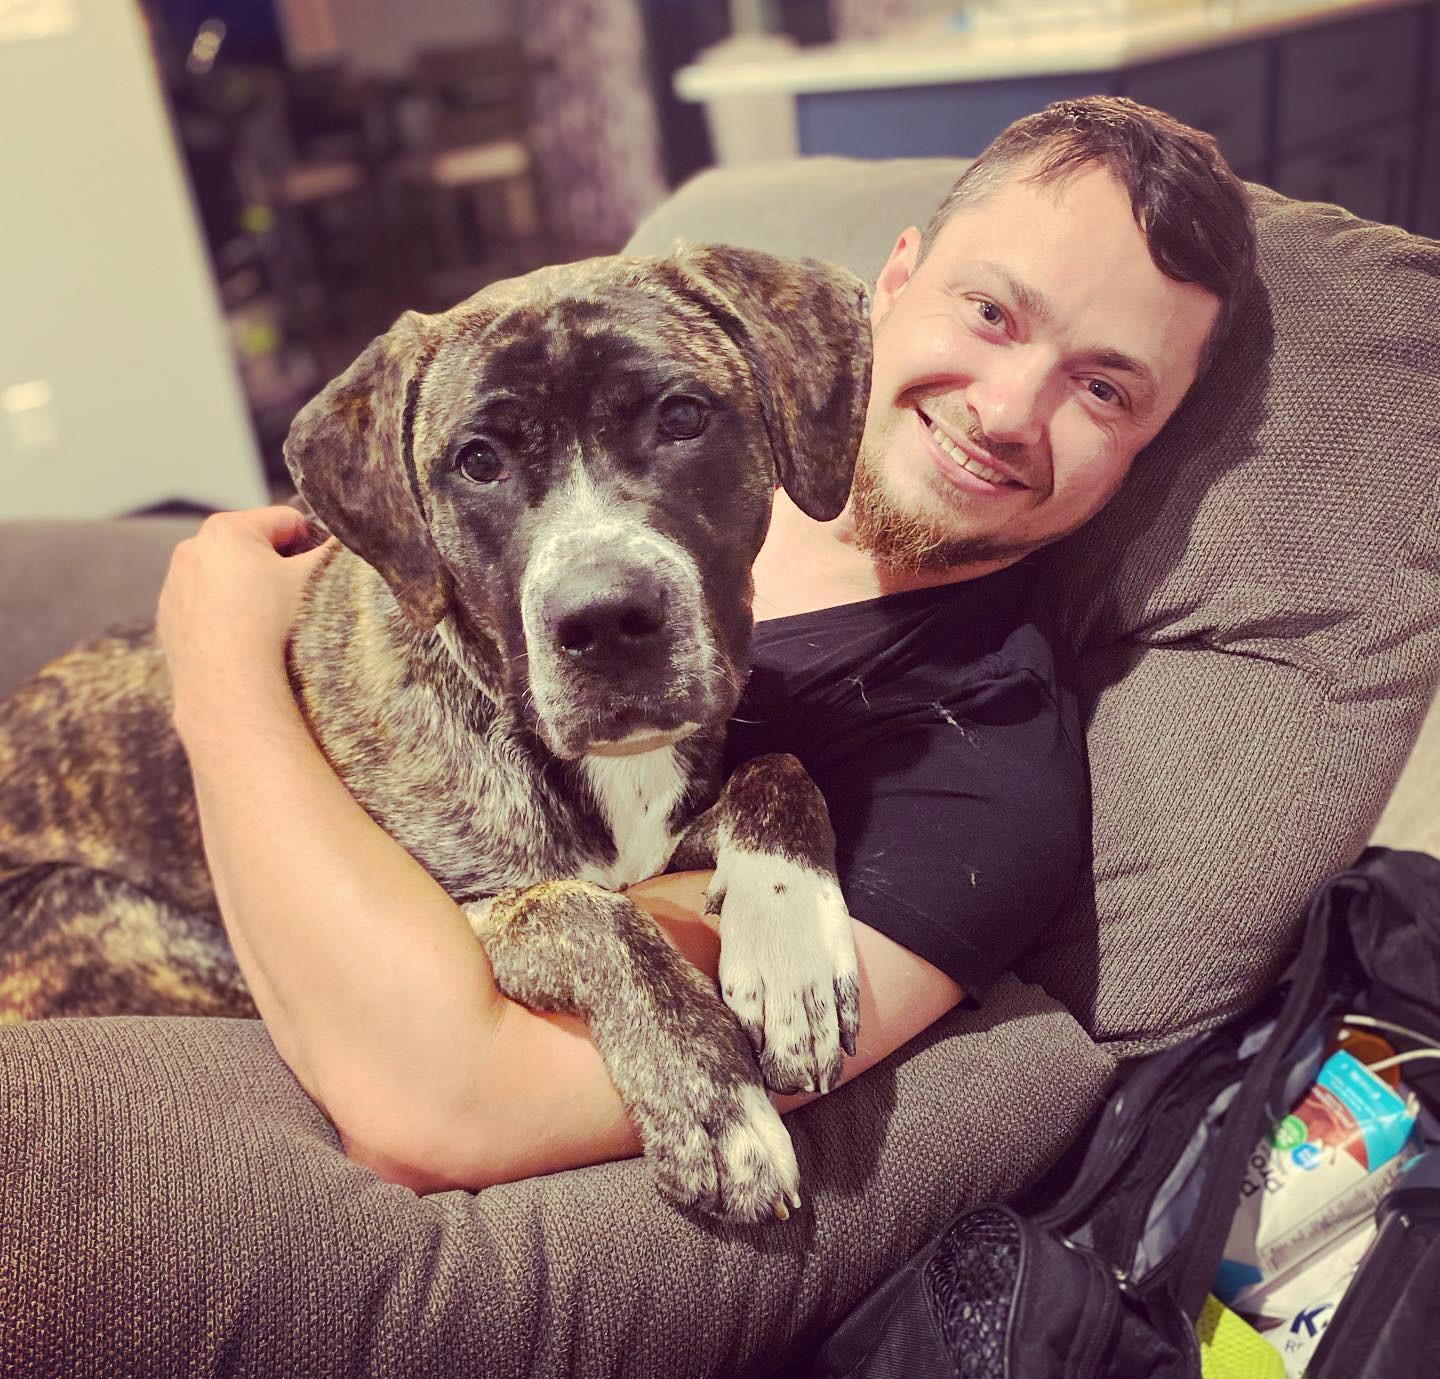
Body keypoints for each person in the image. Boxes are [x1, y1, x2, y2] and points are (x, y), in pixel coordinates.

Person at [157, 97, 1256, 1195]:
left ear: (1155, 444)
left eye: (1105, 387)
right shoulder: (508, 486)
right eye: (992, 313)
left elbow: (441, 1105)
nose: (1007, 409)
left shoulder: (976, 767)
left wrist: (212, 653)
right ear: (896, 280)